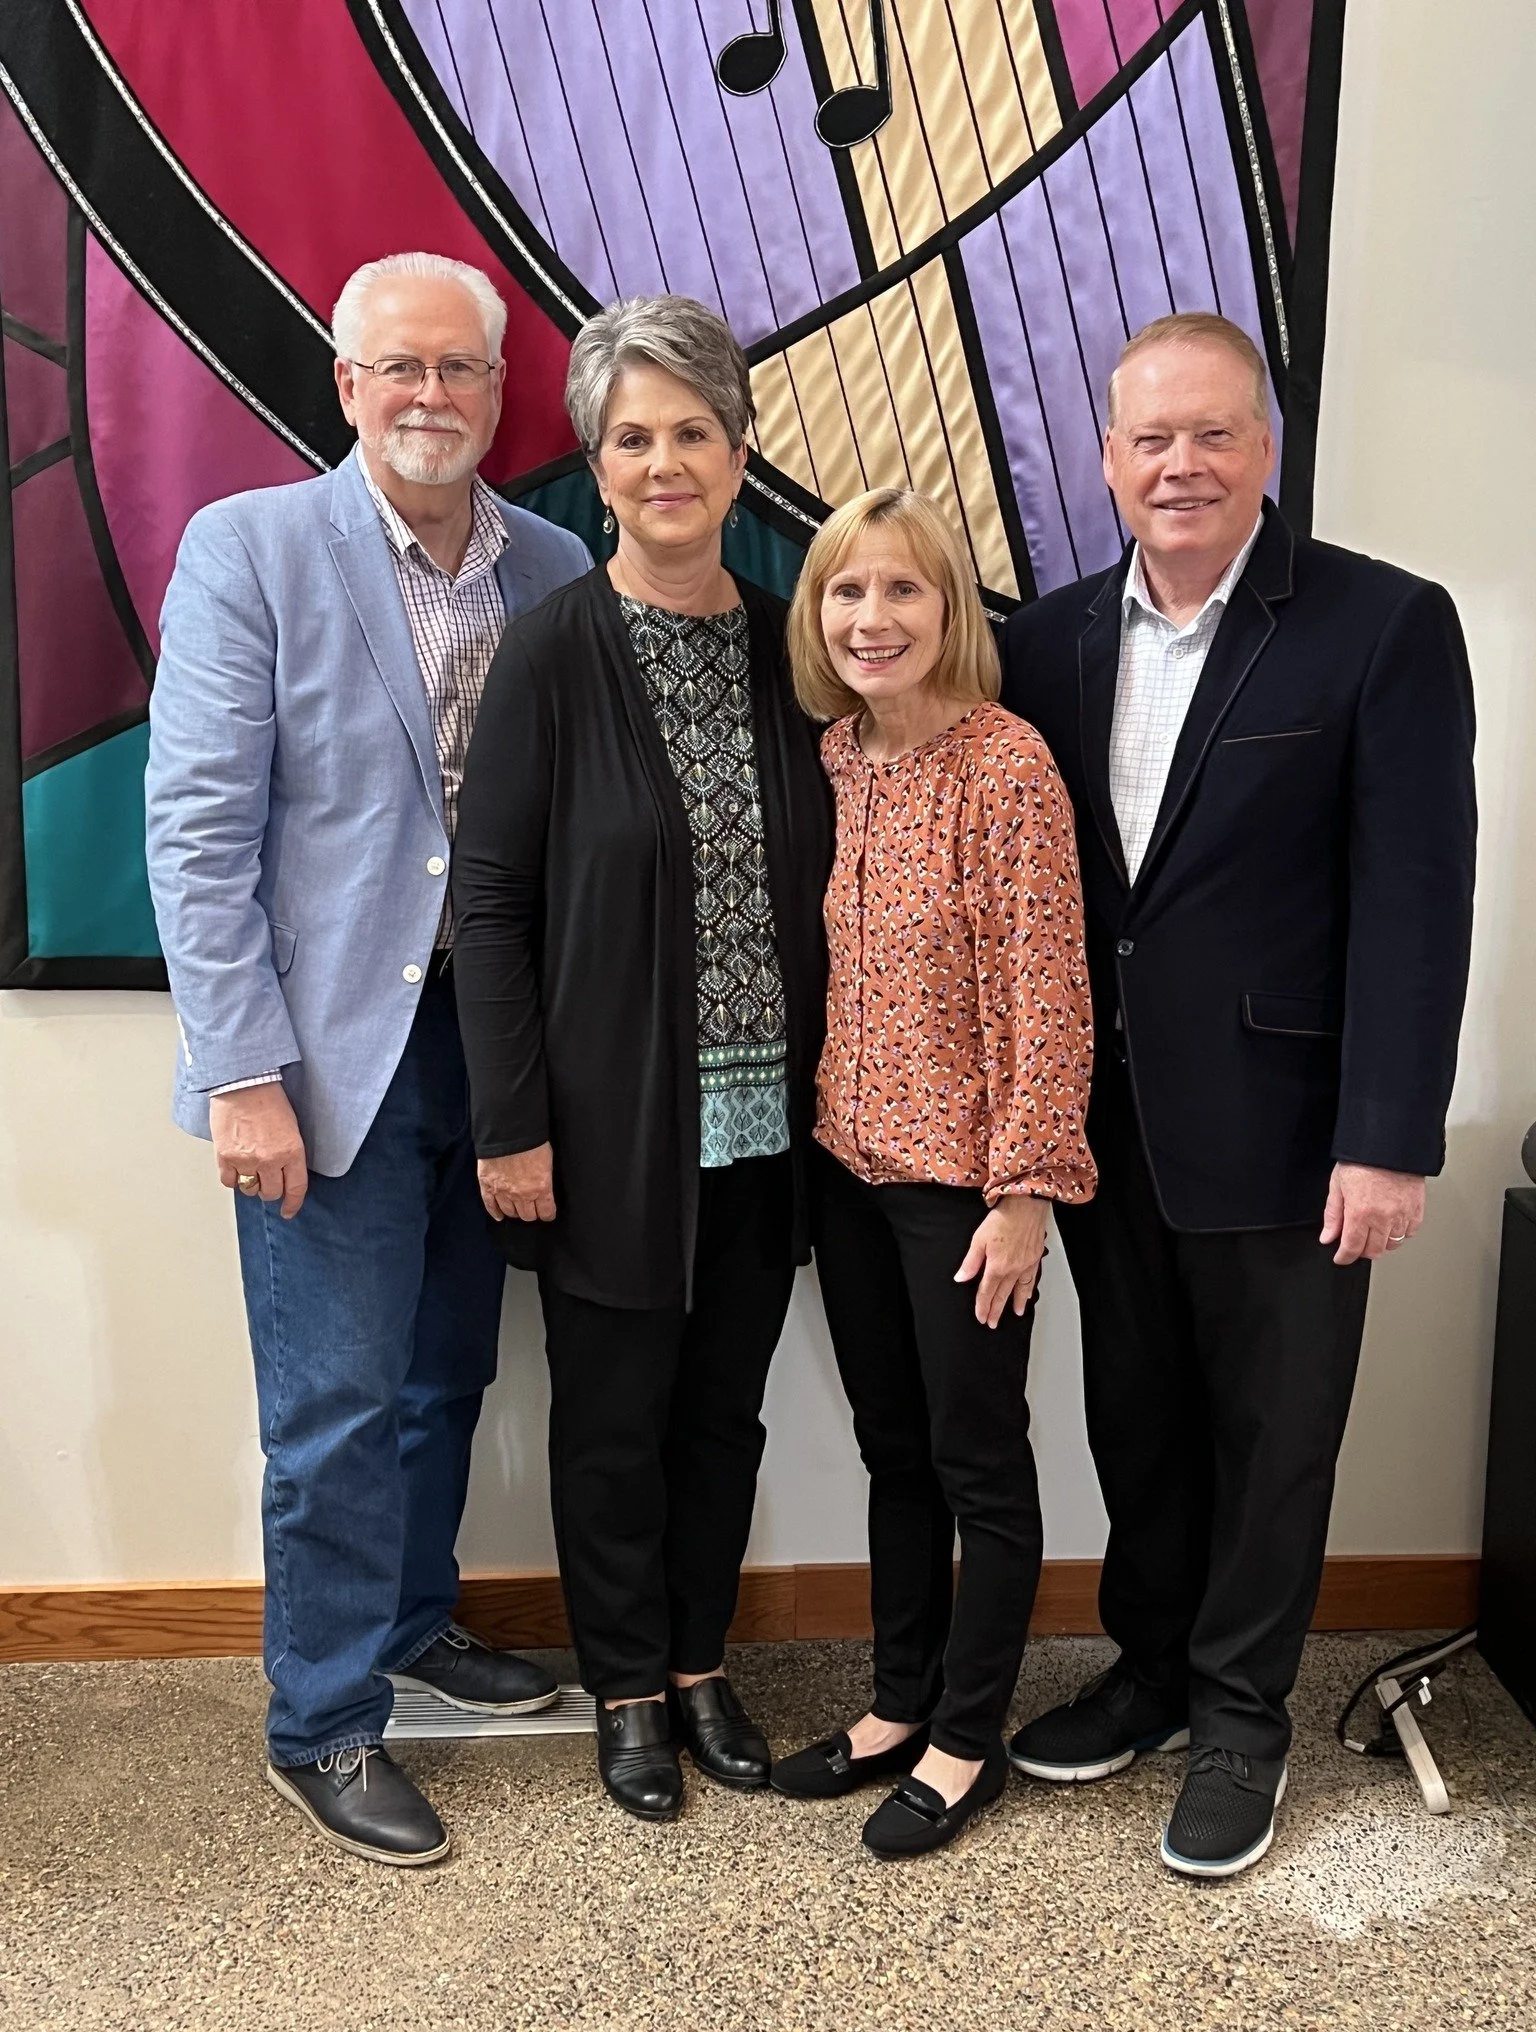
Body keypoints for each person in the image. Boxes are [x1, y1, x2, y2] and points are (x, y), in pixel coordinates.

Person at [1000, 312, 1477, 1879]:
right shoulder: (1044, 642)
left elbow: (1418, 903)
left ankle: (1239, 1719)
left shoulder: (1381, 626)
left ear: (1265, 449)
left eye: (1214, 433)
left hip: (1292, 1129)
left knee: (1275, 1440)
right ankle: (1149, 1668)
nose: (1182, 465)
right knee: (1136, 1416)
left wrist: (1387, 1138)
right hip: (1105, 1126)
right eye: (1152, 438)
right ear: (1107, 459)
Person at [145, 252, 591, 1868]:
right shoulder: (251, 549)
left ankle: (407, 1626)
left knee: (445, 1372)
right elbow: (197, 831)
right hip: (325, 1062)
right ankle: (323, 1720)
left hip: (499, 1051)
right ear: (346, 386)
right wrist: (242, 1072)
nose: (428, 395)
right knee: (332, 1401)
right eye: (398, 367)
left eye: (458, 368)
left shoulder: (555, 566)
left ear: (500, 393)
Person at [451, 295, 834, 1823]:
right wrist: (511, 1123)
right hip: (606, 1131)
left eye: (692, 432)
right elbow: (491, 902)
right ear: (597, 466)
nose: (664, 463)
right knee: (612, 1425)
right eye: (632, 438)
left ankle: (696, 1665)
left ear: (738, 453)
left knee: (720, 1415)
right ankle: (622, 1688)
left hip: (767, 1131)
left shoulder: (798, 645)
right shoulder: (551, 650)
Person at [769, 488, 1096, 1860]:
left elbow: (1048, 991)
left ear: (950, 609)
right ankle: (899, 1702)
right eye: (847, 591)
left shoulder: (1003, 766)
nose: (873, 617)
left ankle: (969, 1737)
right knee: (891, 1448)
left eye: (902, 589)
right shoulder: (835, 758)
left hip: (966, 1189)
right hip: (848, 1169)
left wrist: (1024, 1193)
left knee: (977, 1463)